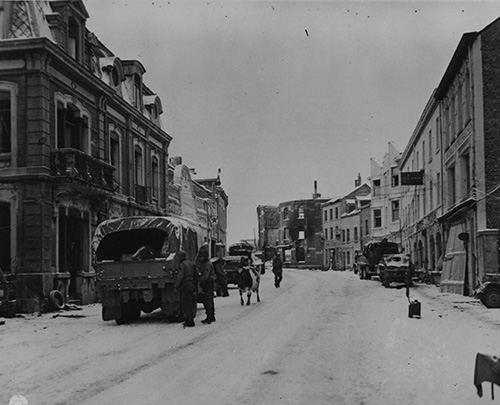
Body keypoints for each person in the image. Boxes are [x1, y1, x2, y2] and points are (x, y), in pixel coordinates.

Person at [174, 251, 197, 327]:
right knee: (191, 302)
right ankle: (191, 319)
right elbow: (196, 274)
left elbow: (180, 276)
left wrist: (176, 285)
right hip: (192, 284)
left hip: (186, 285)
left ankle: (189, 321)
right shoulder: (191, 263)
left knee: (186, 304)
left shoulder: (182, 265)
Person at [196, 249, 216, 324]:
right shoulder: (205, 263)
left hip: (208, 284)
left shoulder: (207, 264)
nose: (200, 258)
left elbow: (206, 276)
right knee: (209, 300)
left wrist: (199, 279)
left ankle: (209, 317)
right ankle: (212, 316)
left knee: (207, 301)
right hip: (208, 283)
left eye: (201, 257)